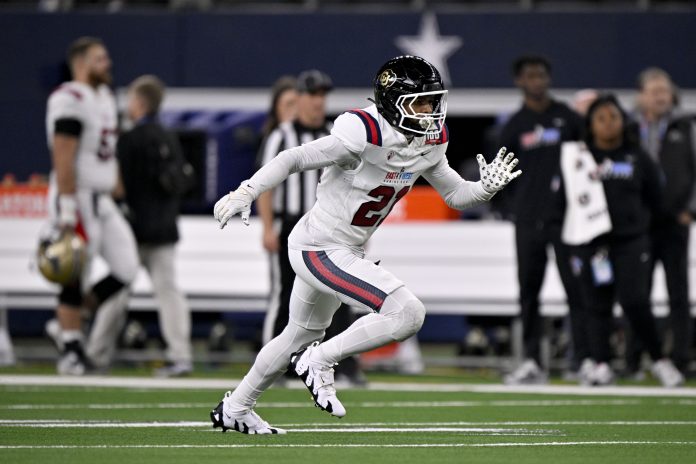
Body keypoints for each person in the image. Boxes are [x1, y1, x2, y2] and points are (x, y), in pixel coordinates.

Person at [208, 55, 521, 434]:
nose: (430, 110)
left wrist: (484, 190)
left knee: (298, 333)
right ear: (393, 101)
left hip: (343, 248)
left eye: (432, 101)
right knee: (407, 314)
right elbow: (295, 157)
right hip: (319, 247)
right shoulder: (364, 130)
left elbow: (455, 194)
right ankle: (320, 360)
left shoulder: (430, 139)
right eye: (420, 102)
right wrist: (247, 191)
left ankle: (236, 407)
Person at [552, 94, 684, 387]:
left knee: (635, 301)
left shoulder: (637, 157)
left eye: (614, 117)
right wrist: (572, 244)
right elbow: (564, 203)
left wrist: (644, 229)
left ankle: (659, 360)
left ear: (624, 121)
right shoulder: (577, 160)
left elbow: (656, 199)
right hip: (592, 244)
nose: (609, 124)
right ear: (591, 125)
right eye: (601, 119)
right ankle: (601, 363)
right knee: (597, 305)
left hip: (631, 242)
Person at [257, 71, 366, 385]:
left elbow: (355, 187)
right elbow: (267, 185)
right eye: (313, 95)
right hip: (290, 223)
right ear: (300, 98)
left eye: (322, 96)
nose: (318, 102)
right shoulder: (281, 135)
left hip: (332, 226)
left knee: (341, 292)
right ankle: (275, 368)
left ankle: (343, 366)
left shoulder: (337, 134)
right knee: (285, 294)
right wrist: (267, 228)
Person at [44, 36, 139, 375]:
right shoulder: (68, 97)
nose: (108, 63)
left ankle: (69, 324)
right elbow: (63, 154)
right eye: (100, 58)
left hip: (102, 198)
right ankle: (71, 349)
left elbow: (107, 155)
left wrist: (119, 196)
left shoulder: (102, 96)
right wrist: (67, 209)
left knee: (127, 268)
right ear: (81, 62)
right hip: (77, 194)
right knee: (74, 273)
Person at [497, 55, 586, 384]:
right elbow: (500, 174)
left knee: (577, 290)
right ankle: (533, 361)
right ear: (519, 81)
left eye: (542, 75)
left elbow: (588, 164)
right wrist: (512, 209)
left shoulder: (569, 118)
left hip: (569, 221)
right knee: (529, 292)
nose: (537, 81)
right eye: (530, 76)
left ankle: (584, 359)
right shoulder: (514, 125)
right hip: (528, 221)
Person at [115, 75, 194, 377]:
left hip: (133, 230)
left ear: (139, 102)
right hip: (163, 228)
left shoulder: (130, 139)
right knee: (168, 292)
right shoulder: (168, 136)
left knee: (117, 291)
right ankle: (181, 354)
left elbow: (120, 186)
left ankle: (95, 353)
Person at [627, 68, 696, 377]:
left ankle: (681, 358)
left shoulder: (686, 127)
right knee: (635, 293)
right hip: (638, 223)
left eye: (664, 91)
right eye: (654, 91)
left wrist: (691, 211)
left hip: (673, 221)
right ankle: (633, 360)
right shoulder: (628, 128)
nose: (660, 96)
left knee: (677, 293)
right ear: (641, 95)